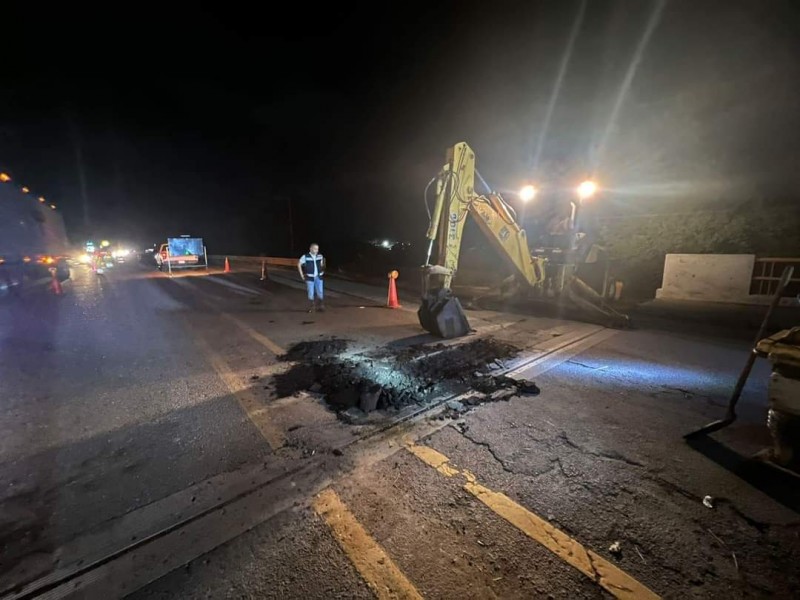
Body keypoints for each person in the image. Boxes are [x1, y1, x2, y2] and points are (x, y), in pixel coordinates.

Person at [298, 243, 326, 312]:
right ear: (310, 249)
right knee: (310, 292)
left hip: (318, 277)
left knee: (320, 291)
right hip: (309, 277)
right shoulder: (305, 256)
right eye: (315, 249)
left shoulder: (320, 256)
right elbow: (299, 264)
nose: (316, 250)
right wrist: (301, 274)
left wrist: (322, 271)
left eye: (317, 249)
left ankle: (320, 306)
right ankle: (312, 307)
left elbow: (322, 264)